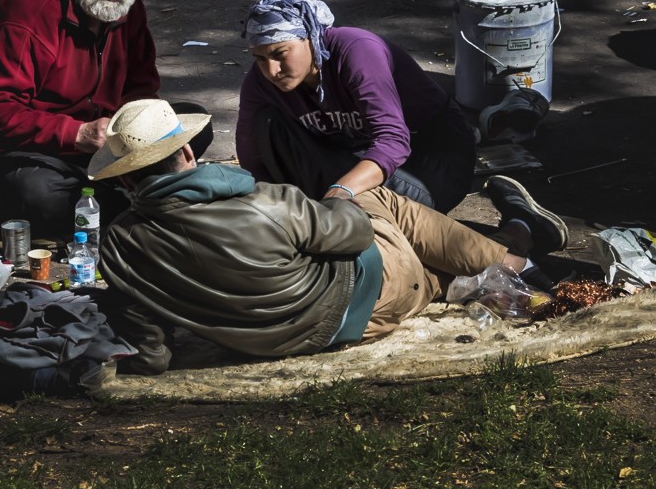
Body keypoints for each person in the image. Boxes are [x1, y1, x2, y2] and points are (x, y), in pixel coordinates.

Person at [88, 99, 568, 374]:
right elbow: (354, 235)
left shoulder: (118, 246)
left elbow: (150, 350)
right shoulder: (264, 204)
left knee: (439, 272)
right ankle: (520, 253)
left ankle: (519, 234)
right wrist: (337, 196)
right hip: (368, 300)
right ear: (189, 158)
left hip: (286, 341)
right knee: (376, 202)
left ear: (126, 180)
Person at [0, 0, 210, 237]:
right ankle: (138, 204)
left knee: (195, 123)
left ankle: (124, 199)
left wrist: (142, 131)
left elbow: (142, 87)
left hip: (110, 142)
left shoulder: (128, 6)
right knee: (39, 194)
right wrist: (77, 133)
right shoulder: (25, 12)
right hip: (43, 152)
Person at [235, 0, 475, 213]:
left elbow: (393, 141)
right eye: (259, 58)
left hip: (429, 165)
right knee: (267, 122)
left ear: (311, 37)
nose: (271, 70)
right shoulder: (260, 80)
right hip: (351, 153)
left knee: (355, 207)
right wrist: (263, 207)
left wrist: (341, 191)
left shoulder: (357, 50)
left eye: (280, 54)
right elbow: (252, 155)